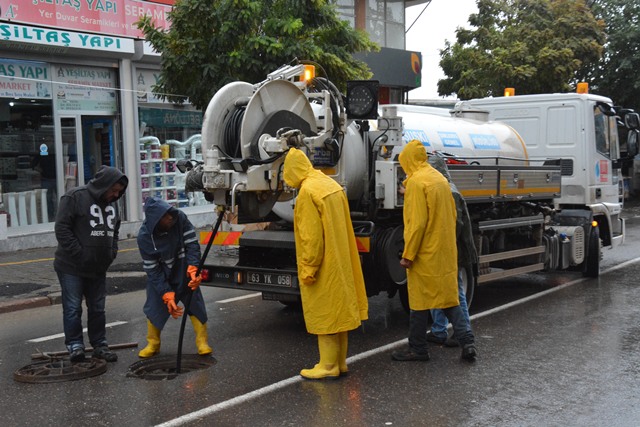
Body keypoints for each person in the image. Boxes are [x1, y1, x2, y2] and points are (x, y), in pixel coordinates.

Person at [283, 147, 369, 380]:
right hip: (340, 259)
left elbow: (311, 238)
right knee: (339, 311)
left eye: (285, 171)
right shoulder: (329, 185)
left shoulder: (307, 193)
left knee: (326, 313)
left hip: (324, 264)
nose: (284, 176)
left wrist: (309, 268)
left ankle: (328, 365)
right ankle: (340, 362)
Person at [391, 140, 477, 362]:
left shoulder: (417, 183)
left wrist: (408, 255)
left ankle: (418, 349)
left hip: (425, 254)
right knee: (449, 300)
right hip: (446, 251)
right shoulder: (439, 179)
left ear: (408, 160)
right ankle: (467, 342)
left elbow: (417, 224)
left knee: (418, 303)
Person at [54, 165, 128, 363]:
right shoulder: (74, 197)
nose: (115, 195)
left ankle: (99, 345)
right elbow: (62, 229)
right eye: (113, 190)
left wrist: (111, 253)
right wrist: (79, 254)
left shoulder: (112, 205)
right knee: (72, 308)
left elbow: (115, 230)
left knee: (97, 308)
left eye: (119, 192)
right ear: (104, 185)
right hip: (71, 267)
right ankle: (75, 346)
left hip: (98, 268)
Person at [137, 197, 212, 358]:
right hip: (161, 274)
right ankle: (153, 343)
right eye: (165, 215)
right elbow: (152, 269)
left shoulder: (179, 218)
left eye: (170, 212)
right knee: (154, 307)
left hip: (183, 269)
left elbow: (192, 243)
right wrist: (165, 293)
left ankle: (202, 341)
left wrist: (193, 267)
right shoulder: (144, 237)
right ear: (156, 220)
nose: (171, 217)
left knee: (195, 304)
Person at [426, 155, 478, 347]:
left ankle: (461, 331)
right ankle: (440, 330)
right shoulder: (448, 189)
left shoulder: (449, 192)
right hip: (452, 249)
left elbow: (453, 227)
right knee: (443, 291)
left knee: (454, 292)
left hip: (452, 251)